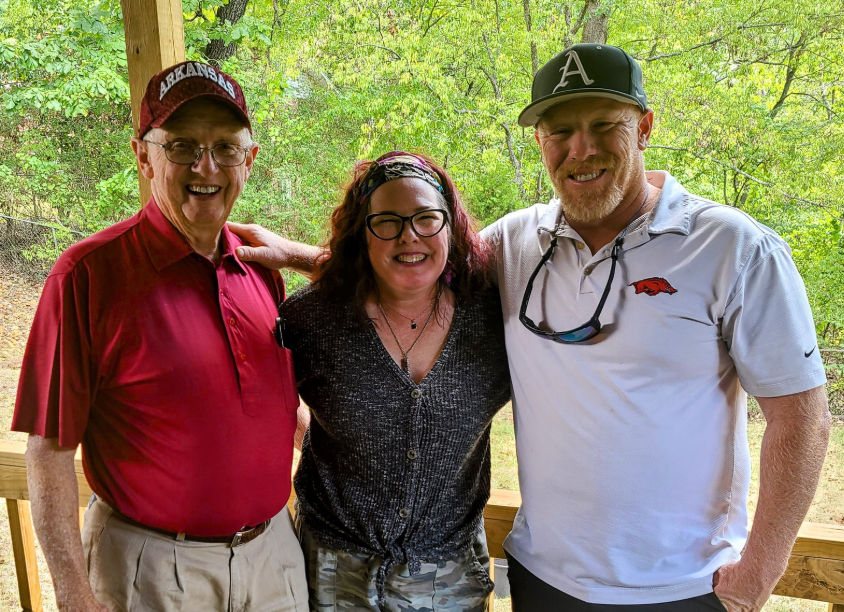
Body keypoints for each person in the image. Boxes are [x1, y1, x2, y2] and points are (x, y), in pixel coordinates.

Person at [230, 44, 831, 612]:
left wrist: (756, 577)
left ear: (645, 127)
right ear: (540, 141)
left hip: (683, 584)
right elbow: (414, 268)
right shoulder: (518, 244)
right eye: (560, 132)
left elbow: (802, 415)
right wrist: (295, 255)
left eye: (604, 126)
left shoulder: (731, 248)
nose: (581, 149)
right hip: (543, 579)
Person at [13, 62, 307, 612]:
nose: (206, 165)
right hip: (151, 571)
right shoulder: (87, 275)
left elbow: (274, 405)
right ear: (143, 156)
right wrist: (73, 595)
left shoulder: (264, 269)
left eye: (226, 147)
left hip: (273, 558)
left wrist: (306, 259)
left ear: (251, 159)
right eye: (181, 146)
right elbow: (49, 450)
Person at [277, 151, 510, 611]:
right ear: (361, 235)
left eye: (427, 218)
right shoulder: (313, 319)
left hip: (451, 575)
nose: (409, 236)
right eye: (387, 221)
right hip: (330, 568)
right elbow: (266, 401)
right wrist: (319, 442)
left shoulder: (494, 316)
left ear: (451, 225)